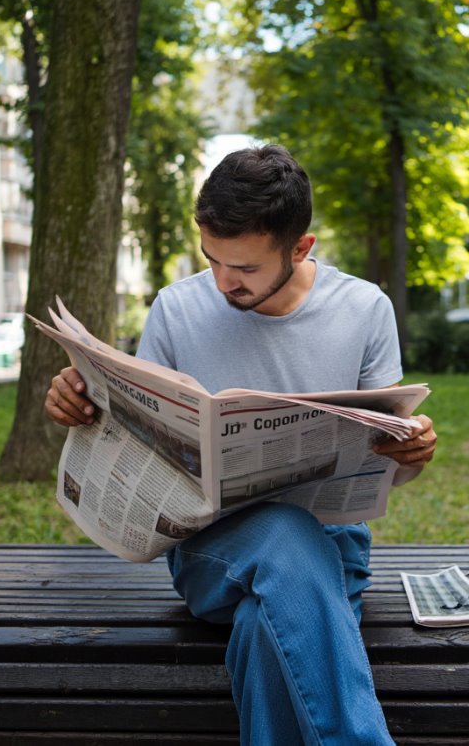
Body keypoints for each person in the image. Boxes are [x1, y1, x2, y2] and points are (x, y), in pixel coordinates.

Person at [45, 144, 437, 745]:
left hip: (333, 555)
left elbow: (382, 466)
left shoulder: (363, 310)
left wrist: (410, 453)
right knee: (281, 533)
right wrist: (79, 408)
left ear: (301, 247)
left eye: (246, 268)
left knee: (264, 626)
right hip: (211, 555)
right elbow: (135, 438)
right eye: (213, 259)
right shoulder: (177, 309)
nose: (224, 281)